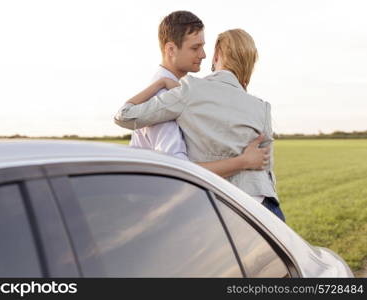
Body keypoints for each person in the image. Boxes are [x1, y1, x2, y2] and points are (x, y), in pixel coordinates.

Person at [114, 28, 285, 222]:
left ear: (217, 55)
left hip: (227, 211)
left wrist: (161, 83)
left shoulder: (190, 91)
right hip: (269, 214)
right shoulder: (262, 108)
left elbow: (124, 116)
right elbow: (265, 172)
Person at [126, 10, 270, 178]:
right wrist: (243, 162)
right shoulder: (162, 96)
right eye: (195, 48)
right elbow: (180, 171)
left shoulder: (185, 92)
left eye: (203, 46)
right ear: (171, 49)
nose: (203, 54)